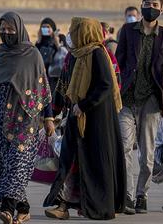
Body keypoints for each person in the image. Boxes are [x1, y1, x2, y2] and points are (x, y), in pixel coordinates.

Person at [44, 17, 126, 220]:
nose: (70, 36)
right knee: (69, 160)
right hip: (75, 117)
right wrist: (53, 112)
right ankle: (62, 205)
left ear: (85, 32)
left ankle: (94, 206)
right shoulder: (74, 55)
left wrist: (84, 104)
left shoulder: (98, 53)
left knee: (92, 163)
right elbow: (63, 84)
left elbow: (106, 85)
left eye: (74, 31)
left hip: (95, 121)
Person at [0, 12, 54, 224]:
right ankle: (23, 208)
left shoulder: (33, 55)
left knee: (18, 162)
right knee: (5, 163)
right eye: (3, 29)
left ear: (19, 29)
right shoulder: (0, 56)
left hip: (26, 117)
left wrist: (48, 118)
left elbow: (43, 88)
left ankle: (8, 207)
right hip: (2, 116)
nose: (6, 33)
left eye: (10, 29)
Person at [115, 0, 163, 214]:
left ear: (162, 9)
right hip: (127, 99)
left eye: (154, 4)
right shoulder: (127, 31)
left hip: (152, 100)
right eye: (146, 3)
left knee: (147, 152)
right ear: (140, 6)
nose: (149, 7)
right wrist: (116, 88)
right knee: (124, 146)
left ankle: (142, 193)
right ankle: (127, 195)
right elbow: (118, 62)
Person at [36, 17, 63, 93]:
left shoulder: (59, 39)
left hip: (54, 77)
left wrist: (57, 43)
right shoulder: (40, 42)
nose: (45, 29)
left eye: (48, 27)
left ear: (53, 28)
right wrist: (38, 41)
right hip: (42, 76)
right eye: (43, 27)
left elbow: (63, 55)